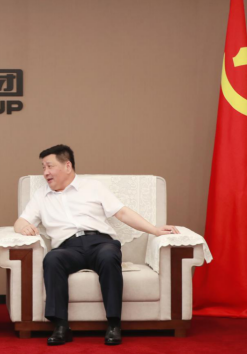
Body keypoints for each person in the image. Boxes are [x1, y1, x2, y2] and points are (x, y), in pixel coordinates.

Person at [13, 144, 178, 346]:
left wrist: (154, 230)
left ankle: (114, 324)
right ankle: (61, 326)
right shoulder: (41, 195)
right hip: (68, 248)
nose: (45, 172)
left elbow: (122, 212)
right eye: (43, 167)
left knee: (109, 255)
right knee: (52, 259)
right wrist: (23, 227)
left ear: (67, 166)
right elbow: (21, 221)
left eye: (50, 166)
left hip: (100, 242)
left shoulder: (93, 187)